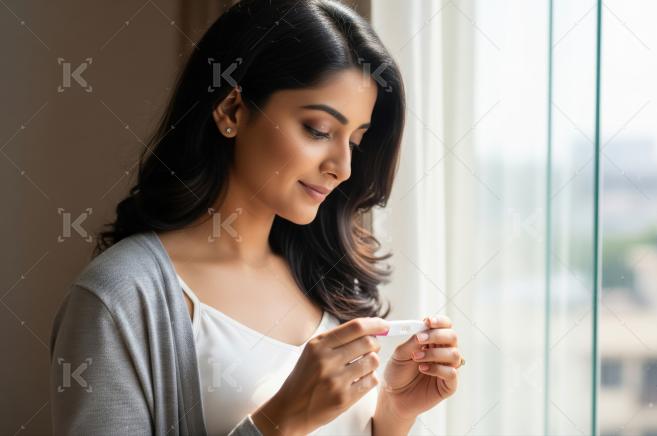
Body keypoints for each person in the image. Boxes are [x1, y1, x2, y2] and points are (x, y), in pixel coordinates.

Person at [48, 0, 464, 434]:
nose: (342, 167)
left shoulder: (326, 280)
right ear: (232, 110)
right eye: (319, 130)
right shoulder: (119, 297)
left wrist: (394, 415)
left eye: (355, 142)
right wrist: (277, 422)